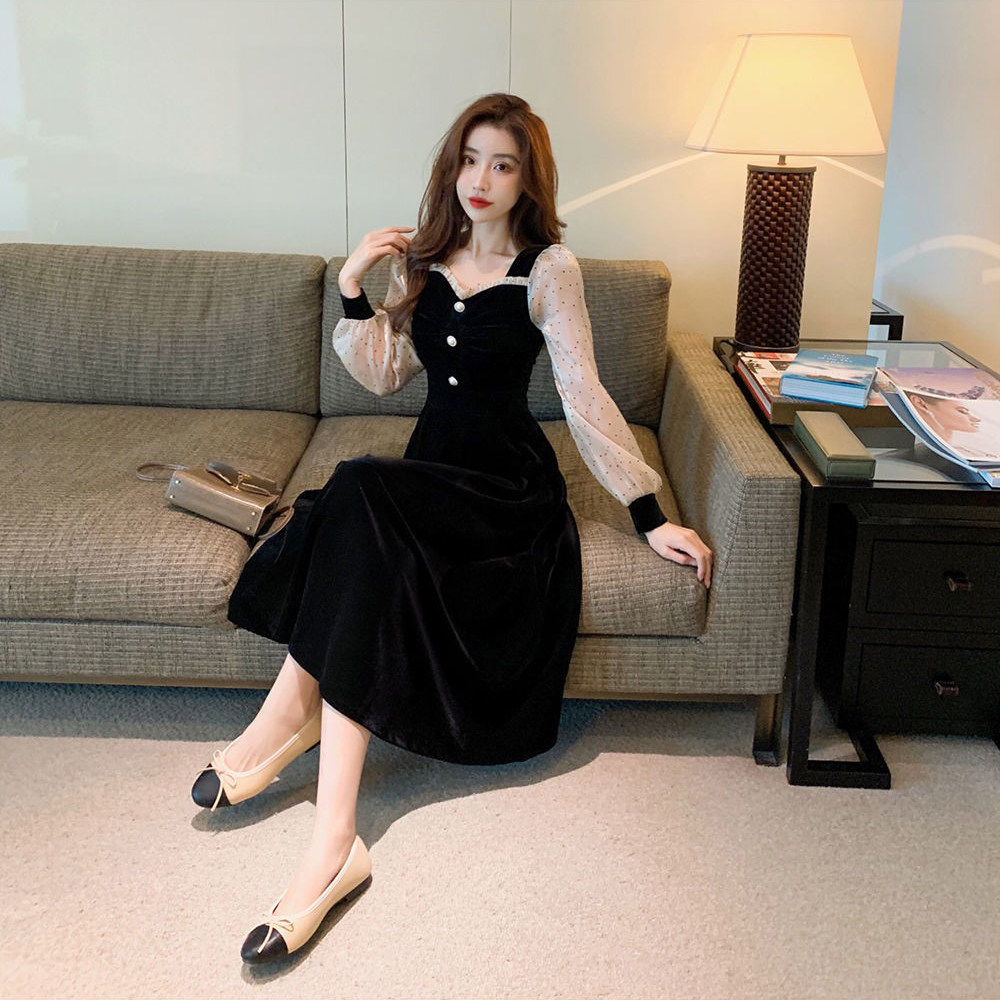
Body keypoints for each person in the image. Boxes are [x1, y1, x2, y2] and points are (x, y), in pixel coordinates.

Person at [191, 92, 713, 965]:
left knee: (356, 490)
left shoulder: (548, 270)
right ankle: (328, 824)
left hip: (505, 493)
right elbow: (385, 375)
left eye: (502, 164)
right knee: (364, 515)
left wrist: (649, 512)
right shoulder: (426, 260)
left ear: (528, 179)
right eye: (470, 159)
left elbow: (583, 395)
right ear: (451, 165)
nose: (481, 179)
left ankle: (307, 789)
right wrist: (353, 288)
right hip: (430, 473)